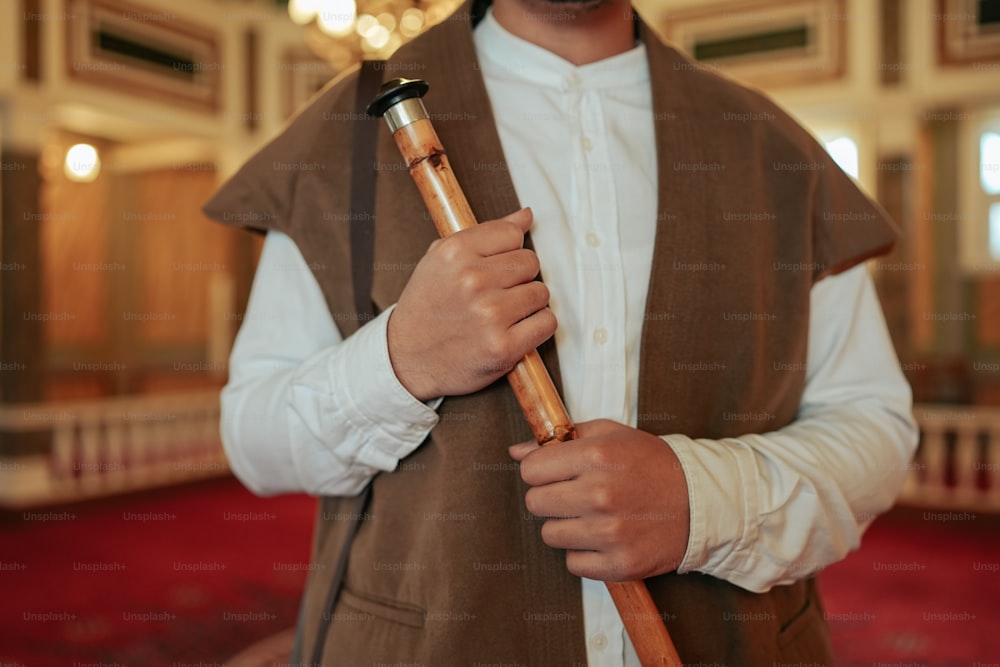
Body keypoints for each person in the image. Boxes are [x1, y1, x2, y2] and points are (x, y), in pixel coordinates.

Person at [204, 0, 918, 663]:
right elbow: (255, 439)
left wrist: (703, 500)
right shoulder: (341, 139)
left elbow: (874, 424)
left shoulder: (772, 147)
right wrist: (401, 360)